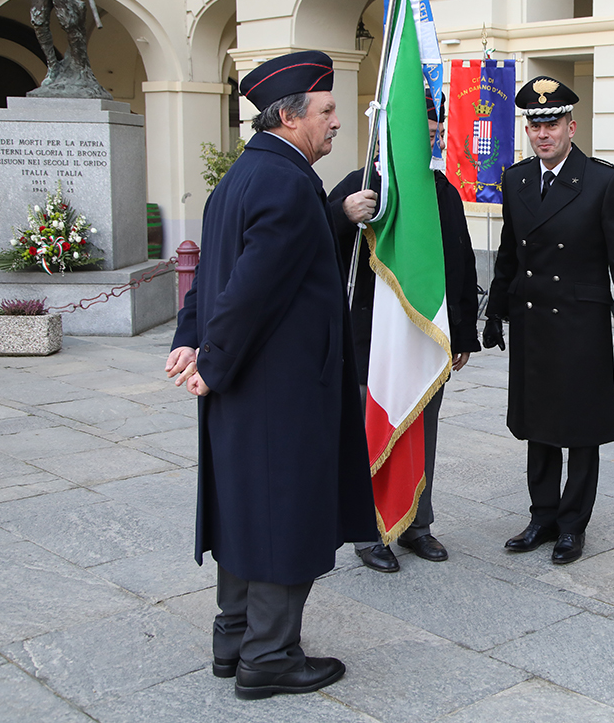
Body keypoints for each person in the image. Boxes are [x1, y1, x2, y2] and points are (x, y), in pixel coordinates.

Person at [165, 51, 376, 699]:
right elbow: (251, 289)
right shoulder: (286, 184)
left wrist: (191, 341)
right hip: (281, 392)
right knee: (287, 515)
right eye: (327, 111)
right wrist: (212, 358)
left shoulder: (240, 177)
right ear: (289, 117)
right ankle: (270, 656)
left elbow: (211, 277)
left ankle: (234, 638)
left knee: (245, 510)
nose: (336, 122)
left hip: (244, 388)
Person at [483, 76, 614, 565]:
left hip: (580, 321)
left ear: (571, 126)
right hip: (533, 320)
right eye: (534, 126)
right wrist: (495, 311)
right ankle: (542, 515)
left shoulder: (603, 181)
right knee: (538, 422)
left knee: (579, 426)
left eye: (552, 124)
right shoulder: (515, 180)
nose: (543, 134)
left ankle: (573, 524)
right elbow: (509, 252)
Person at [329, 88, 480, 573]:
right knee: (372, 433)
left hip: (425, 337)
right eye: (422, 134)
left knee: (423, 432)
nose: (430, 143)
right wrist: (340, 217)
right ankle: (369, 532)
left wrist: (462, 334)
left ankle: (417, 525)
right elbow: (311, 249)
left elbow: (459, 263)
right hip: (367, 342)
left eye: (434, 135)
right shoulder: (356, 188)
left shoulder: (441, 192)